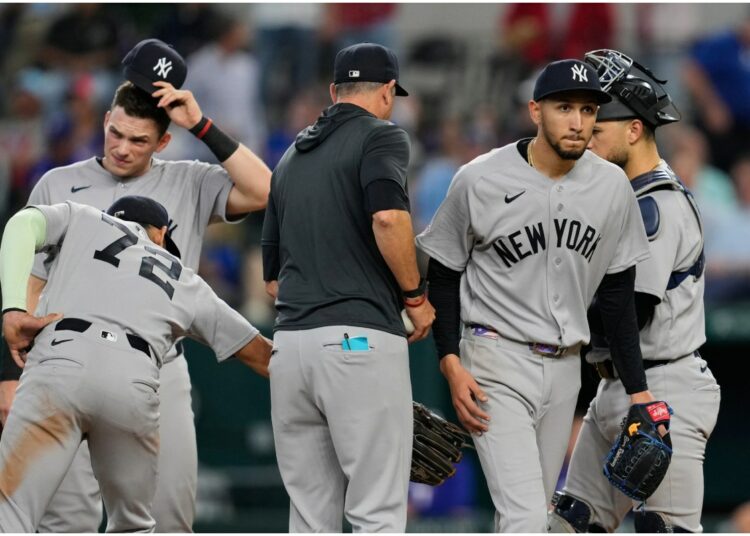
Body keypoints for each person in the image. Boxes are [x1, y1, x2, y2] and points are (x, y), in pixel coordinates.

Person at [0, 38, 271, 532]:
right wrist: (12, 372)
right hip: (65, 352)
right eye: (117, 133)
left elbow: (265, 190)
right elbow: (31, 279)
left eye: (139, 140)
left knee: (168, 517)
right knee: (68, 520)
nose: (123, 148)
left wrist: (203, 126)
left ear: (164, 141)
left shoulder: (190, 179)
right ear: (106, 120)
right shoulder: (59, 183)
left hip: (158, 363)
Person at [416, 58, 665, 532]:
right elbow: (444, 275)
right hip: (494, 358)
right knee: (525, 517)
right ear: (535, 111)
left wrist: (639, 391)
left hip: (565, 369)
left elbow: (616, 297)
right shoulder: (480, 178)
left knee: (536, 517)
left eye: (589, 110)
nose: (577, 122)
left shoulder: (611, 187)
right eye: (564, 107)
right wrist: (450, 361)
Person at [0, 196, 272, 532]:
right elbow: (260, 354)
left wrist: (13, 308)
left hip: (61, 360)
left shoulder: (83, 217)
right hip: (132, 380)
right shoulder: (182, 277)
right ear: (160, 235)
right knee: (134, 526)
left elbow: (21, 224)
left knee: (11, 513)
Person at [261, 42, 435, 532]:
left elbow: (272, 281)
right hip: (358, 340)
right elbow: (387, 218)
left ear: (334, 91)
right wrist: (415, 298)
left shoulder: (290, 156)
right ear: (386, 93)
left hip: (291, 348)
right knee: (376, 512)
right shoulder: (382, 137)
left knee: (311, 516)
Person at [547, 49, 721, 534]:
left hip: (663, 387)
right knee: (569, 524)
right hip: (616, 383)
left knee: (663, 530)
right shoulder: (617, 200)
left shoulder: (656, 206)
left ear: (634, 129)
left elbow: (631, 310)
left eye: (597, 127)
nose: (584, 137)